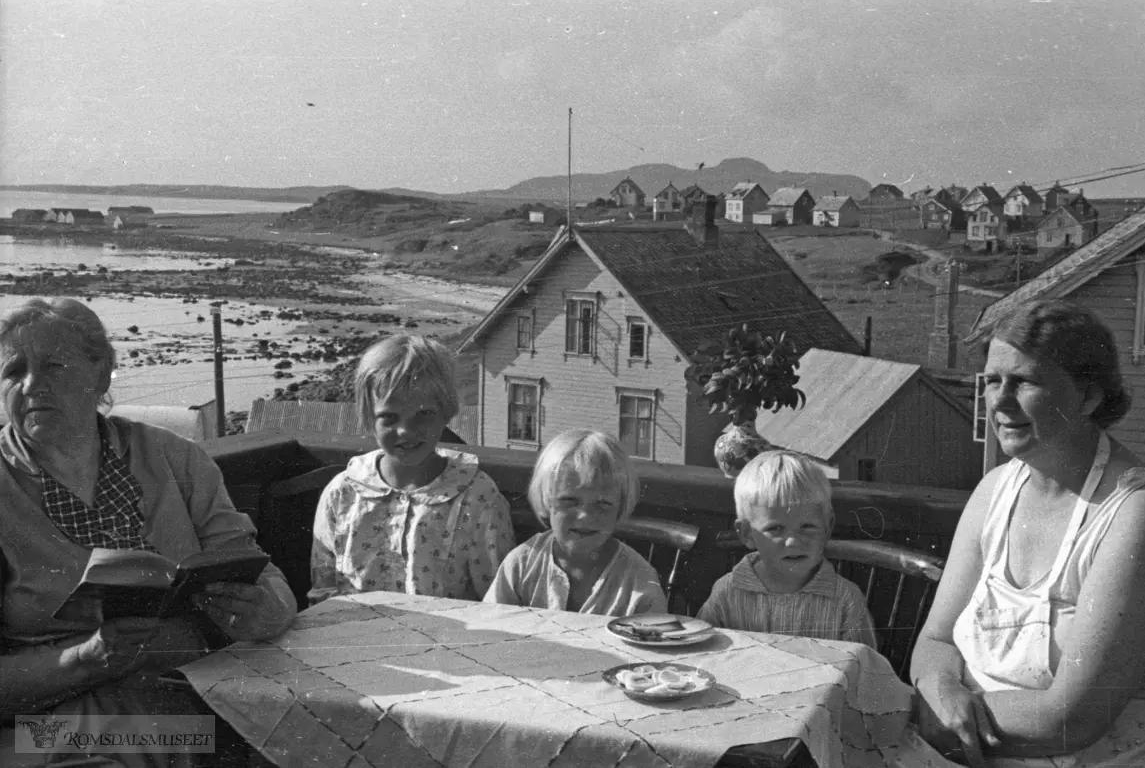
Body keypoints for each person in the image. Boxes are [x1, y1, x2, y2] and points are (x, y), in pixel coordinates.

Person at [0, 297, 297, 767]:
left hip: (184, 700)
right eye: (14, 371)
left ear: (100, 375)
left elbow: (263, 576)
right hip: (45, 724)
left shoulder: (176, 459)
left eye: (54, 365)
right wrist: (87, 657)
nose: (32, 384)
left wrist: (271, 610)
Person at [910, 299, 1145, 768]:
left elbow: (1072, 719)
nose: (1000, 401)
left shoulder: (1140, 515)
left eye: (1024, 381)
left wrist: (947, 723)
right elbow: (936, 642)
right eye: (991, 380)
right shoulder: (995, 491)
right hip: (980, 751)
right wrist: (940, 688)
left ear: (1088, 398)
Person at [308, 334, 513, 604]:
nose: (406, 430)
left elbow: (497, 598)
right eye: (389, 417)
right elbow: (323, 588)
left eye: (423, 414)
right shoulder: (342, 492)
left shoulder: (478, 496)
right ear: (369, 417)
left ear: (446, 411)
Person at [697, 450, 876, 647]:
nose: (793, 541)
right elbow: (703, 652)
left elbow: (864, 669)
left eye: (807, 527)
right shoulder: (727, 592)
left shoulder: (846, 600)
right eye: (775, 528)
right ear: (747, 534)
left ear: (828, 527)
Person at [484, 429, 667, 616]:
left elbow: (654, 639)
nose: (585, 516)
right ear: (546, 501)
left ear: (620, 508)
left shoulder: (639, 581)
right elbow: (490, 626)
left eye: (603, 503)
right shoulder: (522, 565)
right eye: (569, 500)